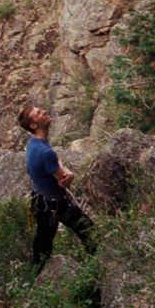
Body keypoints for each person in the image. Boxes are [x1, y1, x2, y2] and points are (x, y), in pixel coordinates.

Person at [17, 103, 95, 266]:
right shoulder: (45, 152)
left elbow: (52, 163)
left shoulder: (33, 144)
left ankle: (36, 276)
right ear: (34, 125)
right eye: (38, 113)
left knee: (43, 243)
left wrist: (58, 165)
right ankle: (98, 268)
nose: (44, 111)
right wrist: (70, 174)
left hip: (39, 200)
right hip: (55, 204)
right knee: (90, 232)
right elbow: (63, 179)